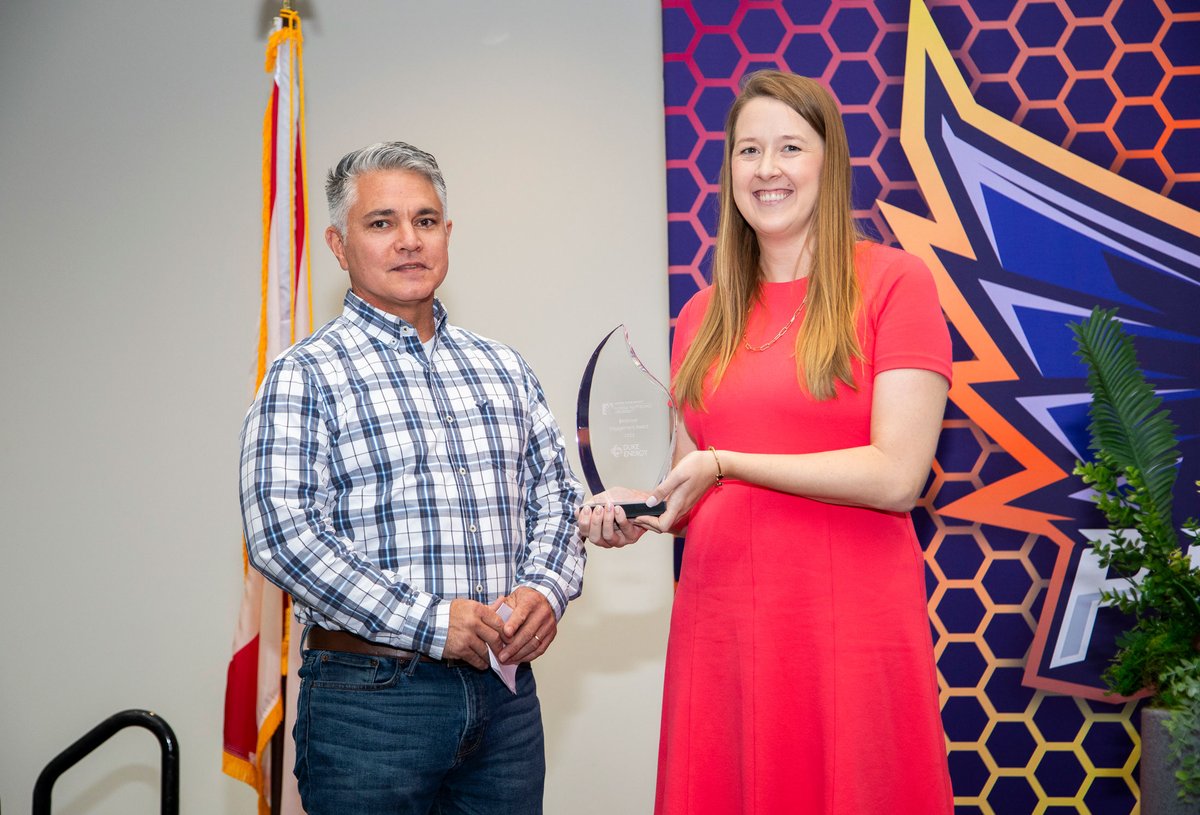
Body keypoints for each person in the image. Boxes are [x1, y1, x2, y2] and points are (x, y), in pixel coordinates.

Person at [580, 71, 954, 814]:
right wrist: (642, 505)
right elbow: (686, 477)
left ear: (830, 161)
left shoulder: (895, 283)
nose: (768, 169)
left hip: (850, 622)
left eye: (790, 146)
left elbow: (897, 476)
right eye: (749, 150)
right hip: (723, 625)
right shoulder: (701, 313)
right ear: (730, 172)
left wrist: (725, 464)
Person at [240, 140, 586, 815]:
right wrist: (430, 621)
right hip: (371, 702)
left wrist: (546, 588)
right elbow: (282, 535)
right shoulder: (305, 374)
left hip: (505, 699)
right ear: (339, 246)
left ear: (448, 236)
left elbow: (556, 496)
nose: (408, 241)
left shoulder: (502, 366)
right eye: (382, 223)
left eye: (425, 221)